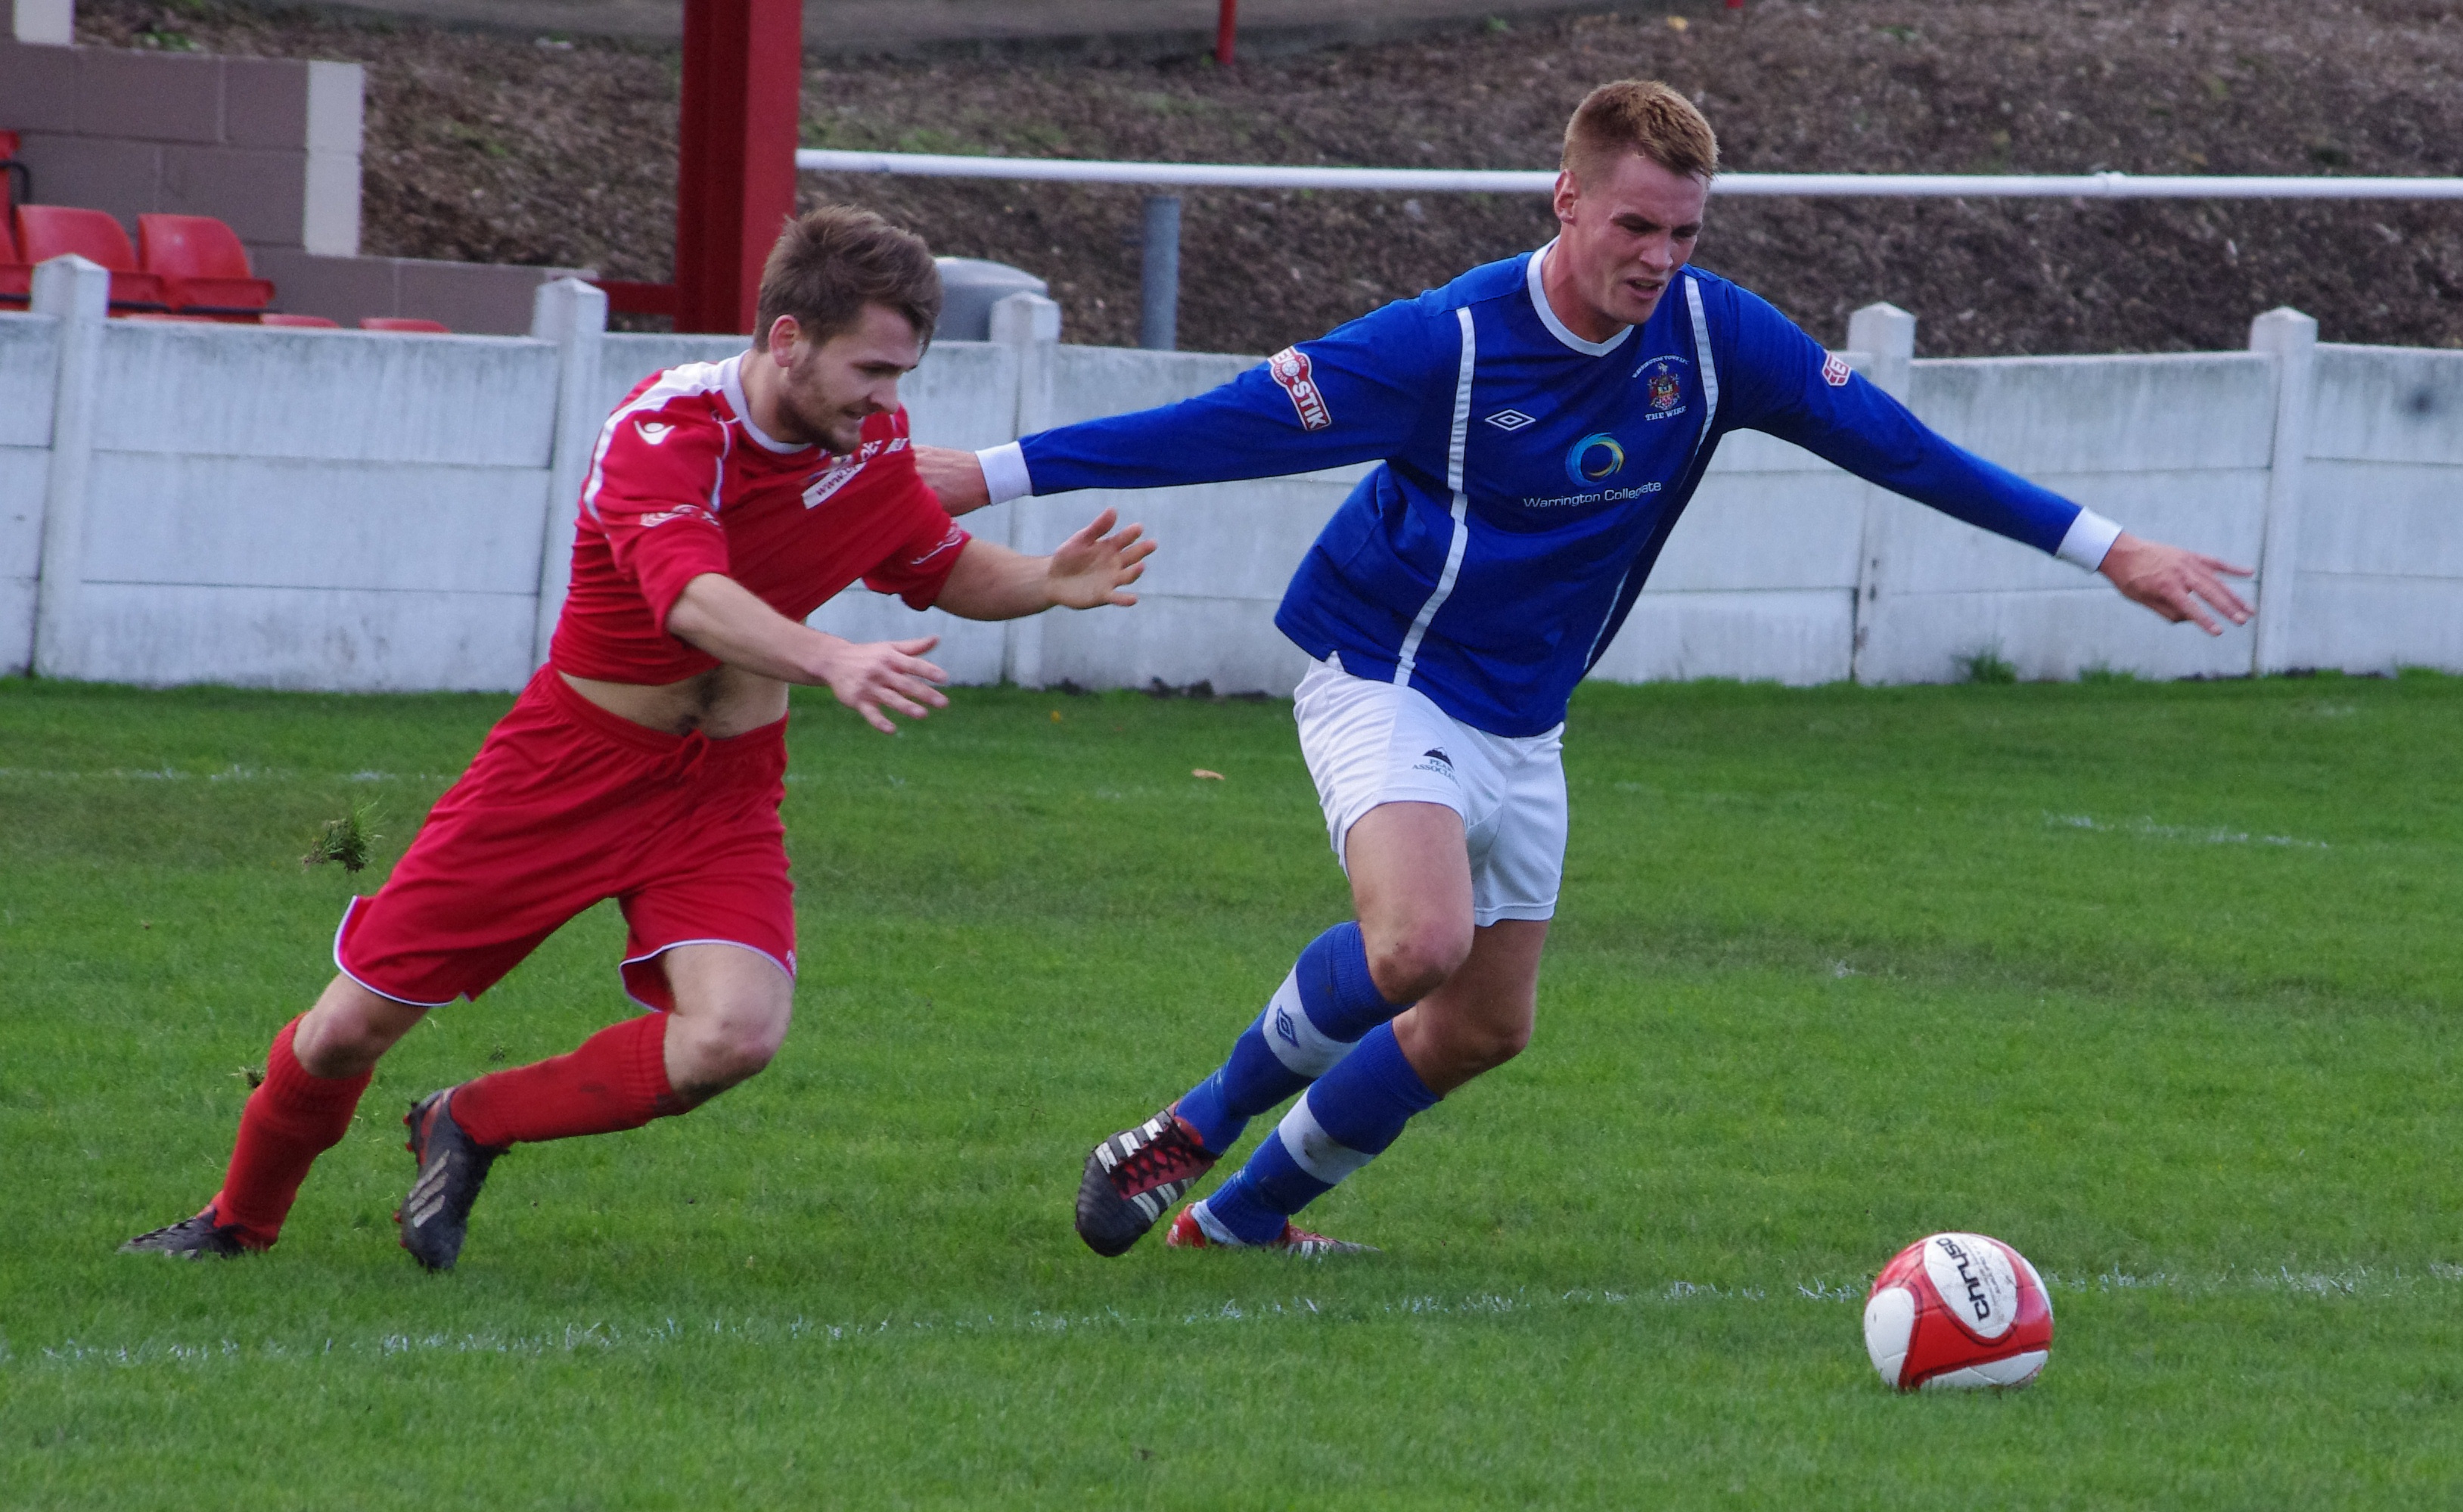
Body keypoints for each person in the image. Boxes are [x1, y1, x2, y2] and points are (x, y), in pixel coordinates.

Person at [918, 80, 2251, 1258]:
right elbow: (1230, 427)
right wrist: (992, 472)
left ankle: (1244, 1218)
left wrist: (2108, 547)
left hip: (1526, 715)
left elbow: (1901, 448)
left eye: (1684, 234)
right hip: (1390, 669)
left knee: (1484, 1026)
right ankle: (1180, 1137)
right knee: (1418, 943)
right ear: (1567, 199)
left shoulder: (1717, 340)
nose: (1660, 258)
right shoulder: (1447, 343)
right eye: (1635, 227)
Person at [123, 206, 1154, 1270]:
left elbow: (932, 561)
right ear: (789, 339)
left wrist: (1045, 581)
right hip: (565, 771)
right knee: (346, 1031)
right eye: (873, 369)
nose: (891, 401)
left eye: (902, 373)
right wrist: (831, 656)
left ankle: (469, 1121)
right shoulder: (666, 431)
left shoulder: (871, 439)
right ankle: (238, 1223)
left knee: (733, 1037)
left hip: (722, 793)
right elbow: (689, 599)